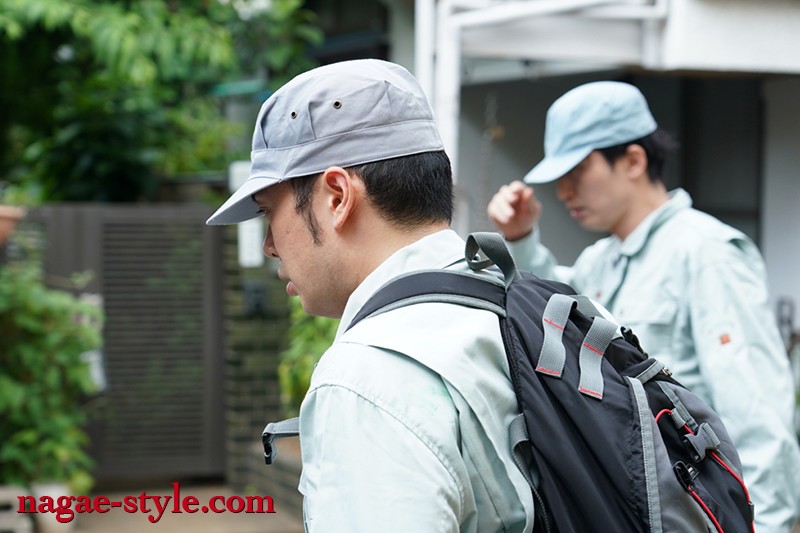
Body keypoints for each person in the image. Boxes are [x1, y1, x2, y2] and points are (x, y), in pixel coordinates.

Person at [207, 59, 534, 532]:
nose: (269, 245)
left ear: (337, 197)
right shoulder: (530, 308)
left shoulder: (369, 378)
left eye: (267, 212)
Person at [487, 80, 800, 533]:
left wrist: (765, 525)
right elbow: (551, 313)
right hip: (641, 507)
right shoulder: (601, 260)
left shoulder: (706, 252)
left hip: (698, 511)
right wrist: (519, 237)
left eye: (578, 170)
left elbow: (758, 413)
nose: (564, 191)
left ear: (633, 160)